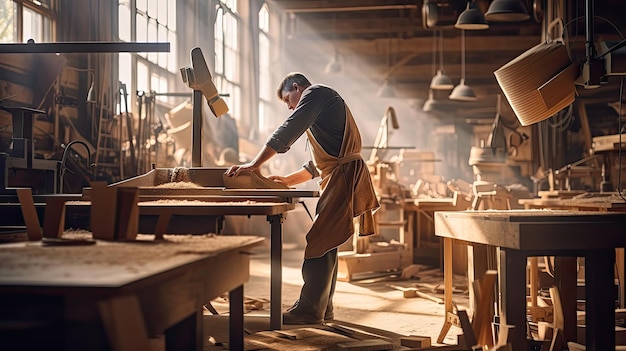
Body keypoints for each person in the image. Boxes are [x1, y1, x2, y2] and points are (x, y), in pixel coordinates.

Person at [225, 72, 380, 324]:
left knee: (319, 239)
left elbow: (288, 131)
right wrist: (286, 181)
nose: (290, 107)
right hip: (339, 174)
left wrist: (254, 165)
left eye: (289, 100)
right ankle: (323, 307)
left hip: (343, 175)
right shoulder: (323, 106)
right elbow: (317, 165)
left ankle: (309, 310)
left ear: (297, 87)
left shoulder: (316, 93)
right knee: (328, 240)